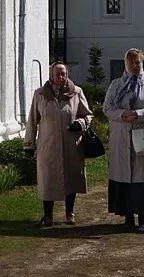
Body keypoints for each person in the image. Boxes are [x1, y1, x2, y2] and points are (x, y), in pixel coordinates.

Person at [23, 61, 92, 228]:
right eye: (57, 74)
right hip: (48, 145)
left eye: (63, 74)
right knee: (48, 180)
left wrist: (80, 123)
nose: (60, 77)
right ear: (51, 76)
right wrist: (29, 144)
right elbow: (32, 120)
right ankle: (48, 216)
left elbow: (88, 115)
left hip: (71, 145)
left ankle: (70, 213)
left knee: (71, 179)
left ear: (67, 75)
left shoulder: (76, 92)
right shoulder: (40, 94)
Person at [104, 48, 144, 234]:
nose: (134, 66)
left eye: (137, 62)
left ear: (142, 63)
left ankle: (143, 220)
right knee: (125, 179)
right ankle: (128, 217)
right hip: (122, 137)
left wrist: (136, 114)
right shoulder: (116, 85)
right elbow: (107, 108)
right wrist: (123, 115)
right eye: (131, 63)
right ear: (126, 64)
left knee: (142, 178)